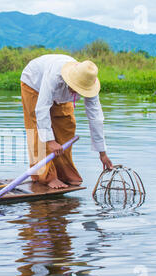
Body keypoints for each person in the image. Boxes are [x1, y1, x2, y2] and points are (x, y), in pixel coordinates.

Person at [20, 54, 113, 189]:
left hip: (58, 94)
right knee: (37, 130)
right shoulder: (55, 76)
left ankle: (64, 172)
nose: (76, 90)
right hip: (34, 84)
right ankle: (45, 176)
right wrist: (50, 140)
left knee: (66, 126)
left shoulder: (89, 81)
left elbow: (96, 117)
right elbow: (41, 108)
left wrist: (102, 153)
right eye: (75, 87)